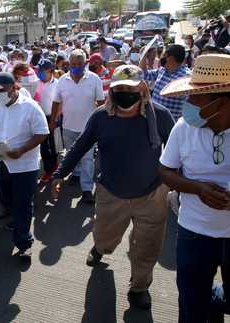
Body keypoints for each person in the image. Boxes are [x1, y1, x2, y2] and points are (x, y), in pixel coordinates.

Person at [51, 65, 175, 309]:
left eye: (130, 89)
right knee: (106, 239)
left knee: (147, 248)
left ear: (142, 88)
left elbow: (178, 150)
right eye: (119, 89)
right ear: (111, 90)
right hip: (111, 193)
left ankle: (139, 287)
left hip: (152, 194)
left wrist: (183, 185)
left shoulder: (159, 116)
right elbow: (79, 146)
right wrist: (60, 174)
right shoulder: (100, 117)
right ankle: (100, 248)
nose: (125, 93)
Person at [159, 53, 230, 323]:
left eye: (195, 98)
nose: (187, 104)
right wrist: (197, 188)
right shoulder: (183, 127)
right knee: (191, 303)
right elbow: (166, 172)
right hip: (194, 233)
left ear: (221, 102)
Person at [0, 72, 49, 258]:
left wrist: (21, 150)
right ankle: (16, 220)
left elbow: (42, 133)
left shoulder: (30, 107)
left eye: (0, 90)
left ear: (13, 88)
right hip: (0, 163)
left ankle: (23, 242)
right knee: (8, 197)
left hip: (24, 165)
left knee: (23, 203)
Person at [50, 49, 105, 203]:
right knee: (70, 153)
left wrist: (102, 122)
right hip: (68, 126)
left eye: (79, 64)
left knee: (88, 158)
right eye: (73, 64)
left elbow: (101, 102)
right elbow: (56, 101)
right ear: (69, 64)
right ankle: (76, 173)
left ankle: (87, 189)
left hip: (88, 128)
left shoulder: (94, 79)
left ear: (85, 63)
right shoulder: (62, 81)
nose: (76, 67)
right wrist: (52, 120)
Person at [140, 44, 191, 120]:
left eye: (164, 56)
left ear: (171, 58)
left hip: (170, 122)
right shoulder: (162, 70)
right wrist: (144, 55)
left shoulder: (186, 77)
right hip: (154, 118)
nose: (162, 58)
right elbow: (145, 75)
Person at [34, 59, 59, 182]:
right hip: (40, 117)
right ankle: (48, 170)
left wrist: (54, 119)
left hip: (53, 117)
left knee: (55, 144)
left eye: (41, 70)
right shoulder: (36, 83)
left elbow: (60, 103)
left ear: (50, 71)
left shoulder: (58, 84)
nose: (39, 73)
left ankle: (55, 167)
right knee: (43, 145)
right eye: (38, 70)